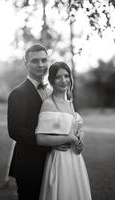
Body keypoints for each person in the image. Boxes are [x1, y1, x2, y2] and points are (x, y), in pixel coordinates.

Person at [35, 61, 92, 200]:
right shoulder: (48, 103)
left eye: (66, 76)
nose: (63, 80)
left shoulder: (69, 103)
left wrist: (78, 143)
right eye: (58, 77)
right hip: (59, 161)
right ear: (51, 80)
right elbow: (40, 138)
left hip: (76, 160)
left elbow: (72, 132)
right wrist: (69, 138)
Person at [7, 44, 52, 200]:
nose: (40, 65)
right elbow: (15, 130)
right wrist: (47, 143)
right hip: (29, 165)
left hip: (53, 162)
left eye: (44, 60)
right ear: (26, 63)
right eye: (35, 61)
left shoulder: (53, 91)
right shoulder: (17, 93)